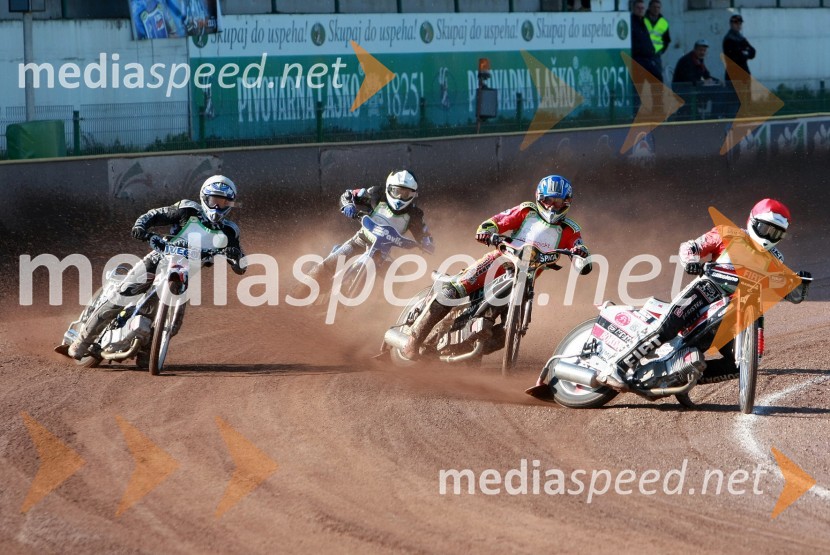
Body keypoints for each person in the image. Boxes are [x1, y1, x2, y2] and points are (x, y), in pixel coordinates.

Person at [596, 198, 812, 390]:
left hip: (739, 309)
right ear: (753, 221)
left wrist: (798, 285)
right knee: (666, 328)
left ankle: (682, 376)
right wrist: (691, 261)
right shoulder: (728, 233)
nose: (769, 236)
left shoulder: (776, 258)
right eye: (765, 228)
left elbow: (789, 292)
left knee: (742, 365)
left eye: (776, 233)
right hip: (708, 289)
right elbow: (691, 247)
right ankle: (616, 366)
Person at [401, 175, 593, 360]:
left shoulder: (570, 229)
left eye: (558, 202)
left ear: (566, 203)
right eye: (548, 200)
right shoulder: (527, 212)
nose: (552, 206)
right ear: (539, 198)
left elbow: (580, 252)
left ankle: (456, 348)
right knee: (452, 291)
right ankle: (413, 341)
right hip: (497, 262)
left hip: (525, 282)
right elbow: (495, 222)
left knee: (506, 333)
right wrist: (488, 232)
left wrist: (581, 256)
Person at [68, 175, 247, 359]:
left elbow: (241, 266)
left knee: (174, 325)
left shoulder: (230, 231)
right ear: (204, 198)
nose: (217, 206)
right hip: (158, 260)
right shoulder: (188, 210)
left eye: (223, 202)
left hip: (183, 276)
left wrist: (235, 256)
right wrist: (141, 226)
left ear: (230, 204)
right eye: (214, 200)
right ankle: (82, 341)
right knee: (121, 295)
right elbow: (154, 215)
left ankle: (147, 352)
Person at [306, 169, 433, 286]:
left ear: (413, 194)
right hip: (360, 241)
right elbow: (349, 194)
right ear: (388, 188)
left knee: (398, 281)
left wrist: (426, 243)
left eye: (405, 194)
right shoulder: (375, 194)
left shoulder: (415, 215)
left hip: (382, 254)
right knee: (330, 264)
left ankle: (379, 302)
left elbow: (424, 234)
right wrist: (348, 205)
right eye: (397, 191)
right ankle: (305, 287)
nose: (400, 197)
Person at [722, 14, 756, 82]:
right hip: (734, 74)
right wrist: (745, 52)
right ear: (731, 24)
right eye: (736, 23)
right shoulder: (729, 39)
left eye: (740, 23)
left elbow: (753, 51)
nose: (738, 25)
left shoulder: (741, 38)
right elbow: (736, 57)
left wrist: (744, 53)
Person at [645, 1, 671, 65]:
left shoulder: (664, 22)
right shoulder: (642, 20)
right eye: (654, 7)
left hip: (656, 54)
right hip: (643, 54)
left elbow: (667, 39)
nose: (656, 9)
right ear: (649, 7)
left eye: (658, 7)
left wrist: (661, 51)